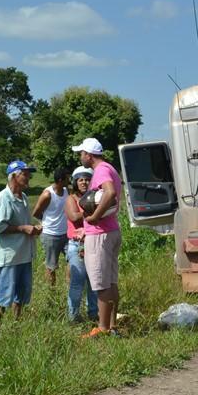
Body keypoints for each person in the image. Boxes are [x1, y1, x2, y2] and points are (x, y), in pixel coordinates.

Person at [72, 137, 123, 338]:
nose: (80, 157)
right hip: (110, 231)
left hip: (100, 234)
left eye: (81, 153)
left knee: (101, 283)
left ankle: (102, 329)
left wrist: (94, 217)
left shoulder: (101, 170)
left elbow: (109, 193)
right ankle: (111, 327)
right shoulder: (110, 167)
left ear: (89, 155)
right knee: (110, 282)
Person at [0, 160, 41, 324]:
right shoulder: (3, 198)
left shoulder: (23, 197)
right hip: (10, 256)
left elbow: (22, 225)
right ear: (13, 176)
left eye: (28, 174)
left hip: (24, 254)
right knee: (4, 294)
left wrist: (32, 229)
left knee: (22, 294)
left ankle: (16, 324)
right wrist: (22, 228)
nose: (28, 178)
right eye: (25, 174)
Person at [64, 166, 98, 323]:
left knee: (94, 281)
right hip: (77, 244)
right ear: (75, 182)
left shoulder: (96, 196)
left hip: (93, 242)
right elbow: (74, 217)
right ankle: (73, 315)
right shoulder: (71, 199)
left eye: (87, 179)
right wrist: (93, 211)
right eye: (80, 180)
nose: (84, 182)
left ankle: (93, 313)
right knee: (78, 281)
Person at [32, 167, 70, 287]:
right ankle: (51, 294)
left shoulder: (66, 191)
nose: (69, 181)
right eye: (67, 179)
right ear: (60, 180)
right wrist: (45, 222)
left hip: (66, 234)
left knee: (73, 260)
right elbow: (36, 213)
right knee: (51, 266)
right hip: (50, 235)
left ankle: (71, 288)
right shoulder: (48, 194)